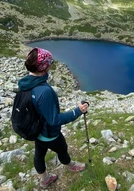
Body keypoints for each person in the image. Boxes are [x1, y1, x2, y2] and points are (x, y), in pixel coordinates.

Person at [18, 47, 89, 188]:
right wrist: (78, 111)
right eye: (50, 62)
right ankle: (71, 165)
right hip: (49, 133)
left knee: (39, 154)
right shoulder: (44, 91)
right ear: (44, 67)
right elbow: (54, 120)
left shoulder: (26, 83)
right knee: (62, 149)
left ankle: (44, 179)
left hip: (35, 130)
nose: (52, 64)